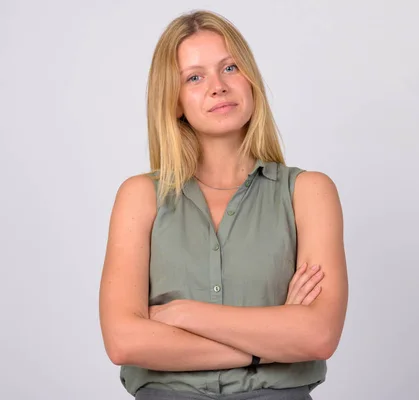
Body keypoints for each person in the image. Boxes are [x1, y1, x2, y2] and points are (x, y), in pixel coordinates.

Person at [99, 9, 348, 400]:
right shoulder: (140, 197)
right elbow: (124, 342)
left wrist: (183, 314)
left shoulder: (307, 193)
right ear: (175, 100)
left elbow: (318, 336)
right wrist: (270, 341)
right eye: (194, 77)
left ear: (250, 79)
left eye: (229, 68)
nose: (218, 87)